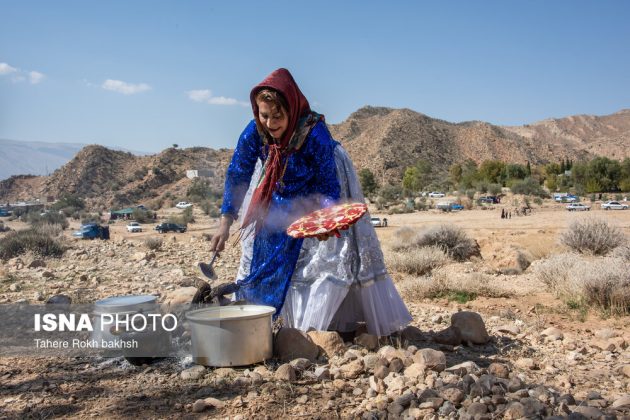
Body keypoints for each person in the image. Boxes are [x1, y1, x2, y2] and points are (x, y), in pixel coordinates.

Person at [210, 68, 412, 337]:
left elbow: (328, 185)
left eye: (278, 116)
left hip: (317, 189)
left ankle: (310, 330)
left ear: (291, 109)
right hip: (274, 188)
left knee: (321, 255)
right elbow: (238, 173)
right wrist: (225, 222)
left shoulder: (314, 133)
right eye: (264, 114)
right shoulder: (255, 131)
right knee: (265, 246)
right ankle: (264, 321)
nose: (270, 123)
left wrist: (328, 219)